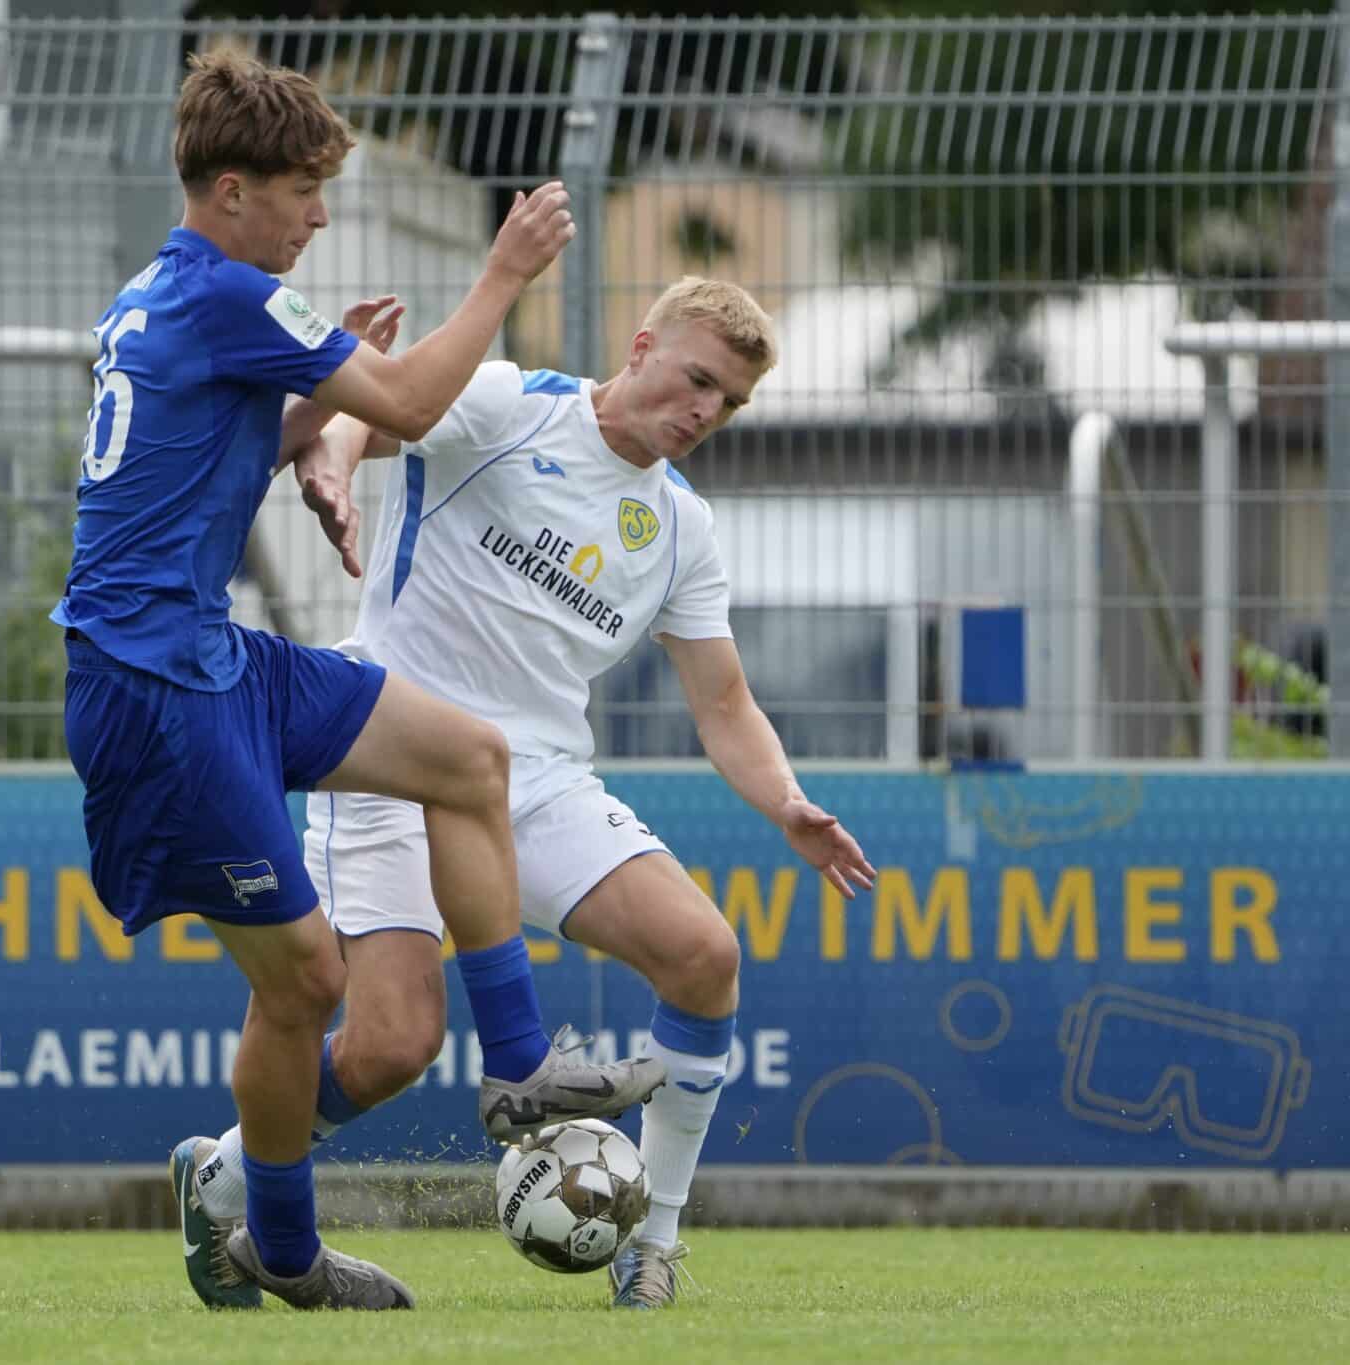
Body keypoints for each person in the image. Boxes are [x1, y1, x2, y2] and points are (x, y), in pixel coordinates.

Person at [54, 51, 665, 1314]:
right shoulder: (226, 291)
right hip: (151, 686)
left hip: (210, 655)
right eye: (300, 193)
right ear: (230, 192)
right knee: (310, 987)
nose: (318, 218)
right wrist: (503, 273)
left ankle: (519, 1072)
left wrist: (304, 448)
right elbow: (404, 400)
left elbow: (198, 454)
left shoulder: (169, 293)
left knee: (466, 758)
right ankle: (277, 1245)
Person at [178, 277, 878, 1310]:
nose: (701, 413)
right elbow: (364, 427)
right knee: (392, 1048)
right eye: (694, 380)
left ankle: (657, 1245)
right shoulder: (509, 403)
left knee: (703, 957)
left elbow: (723, 705)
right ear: (640, 346)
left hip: (533, 782)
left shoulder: (680, 528)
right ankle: (223, 1175)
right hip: (381, 758)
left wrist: (784, 802)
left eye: (725, 403)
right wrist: (326, 467)